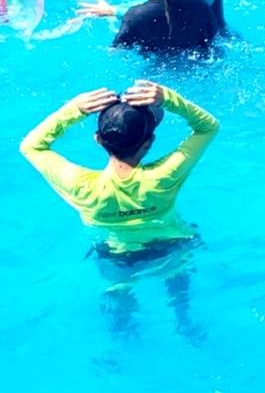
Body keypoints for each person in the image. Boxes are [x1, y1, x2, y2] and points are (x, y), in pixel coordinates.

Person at [20, 78, 218, 335]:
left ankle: (122, 344)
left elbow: (31, 146)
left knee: (120, 304)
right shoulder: (163, 177)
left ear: (97, 140)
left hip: (118, 256)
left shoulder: (82, 187)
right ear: (148, 143)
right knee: (180, 297)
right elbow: (208, 127)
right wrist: (168, 98)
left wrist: (74, 109)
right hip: (170, 246)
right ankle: (185, 324)